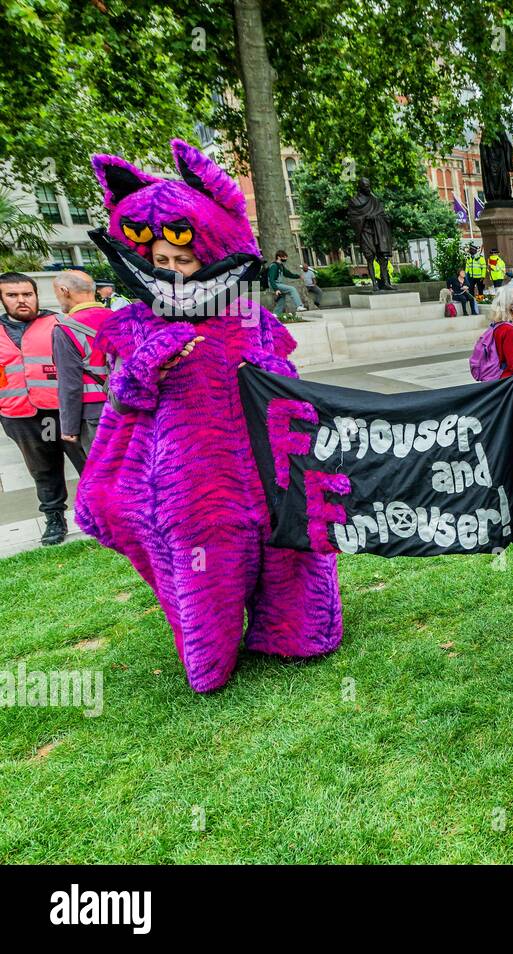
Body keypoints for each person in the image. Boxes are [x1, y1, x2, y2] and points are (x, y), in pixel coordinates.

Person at [77, 139, 341, 693]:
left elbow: (286, 383)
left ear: (209, 252)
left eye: (184, 259)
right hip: (192, 485)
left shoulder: (250, 318)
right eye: (162, 262)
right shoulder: (140, 324)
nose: (173, 273)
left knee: (292, 552)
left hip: (269, 470)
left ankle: (294, 633)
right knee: (205, 566)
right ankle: (211, 657)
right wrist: (148, 362)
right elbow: (123, 405)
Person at [0, 272, 87, 545]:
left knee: (90, 465)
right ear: (3, 299)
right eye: (12, 296)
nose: (21, 300)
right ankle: (54, 519)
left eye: (27, 294)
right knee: (42, 470)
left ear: (36, 295)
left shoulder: (59, 323)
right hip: (20, 414)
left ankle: (104, 513)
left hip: (64, 411)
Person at [51, 269, 113, 458]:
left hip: (95, 412)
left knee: (105, 471)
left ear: (64, 290)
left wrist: (69, 426)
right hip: (130, 405)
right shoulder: (120, 317)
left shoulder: (66, 329)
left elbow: (70, 383)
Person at [267, 250, 303, 318]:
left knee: (282, 299)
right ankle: (299, 306)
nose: (285, 259)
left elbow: (288, 274)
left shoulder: (281, 266)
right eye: (284, 257)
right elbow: (271, 279)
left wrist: (298, 276)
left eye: (286, 257)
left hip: (278, 284)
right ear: (278, 257)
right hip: (275, 284)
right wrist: (276, 289)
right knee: (292, 289)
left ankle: (275, 315)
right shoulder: (274, 266)